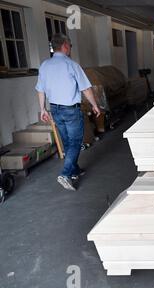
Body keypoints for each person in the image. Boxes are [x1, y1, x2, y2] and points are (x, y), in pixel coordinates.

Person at [36, 33, 101, 191]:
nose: (70, 48)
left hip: (55, 109)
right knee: (75, 143)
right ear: (65, 45)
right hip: (70, 110)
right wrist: (95, 105)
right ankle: (65, 174)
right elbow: (86, 88)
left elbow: (40, 89)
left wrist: (42, 109)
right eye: (70, 45)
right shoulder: (71, 65)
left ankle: (74, 170)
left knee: (67, 142)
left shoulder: (44, 65)